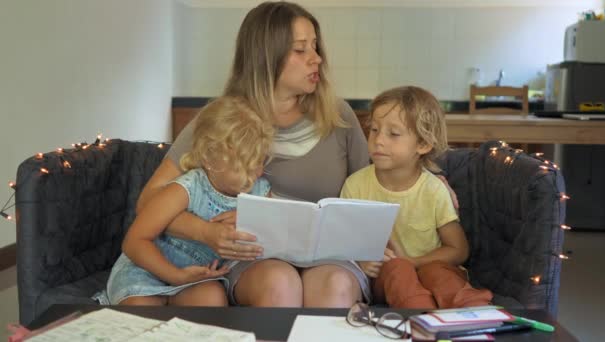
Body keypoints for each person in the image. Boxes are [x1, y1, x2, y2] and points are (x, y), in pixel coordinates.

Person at [138, 1, 372, 307]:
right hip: (255, 258)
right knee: (279, 284)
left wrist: (431, 176)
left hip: (326, 255)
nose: (316, 59)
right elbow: (148, 200)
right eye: (300, 50)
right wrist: (206, 232)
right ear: (266, 58)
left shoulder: (338, 116)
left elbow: (371, 189)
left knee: (337, 286)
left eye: (315, 47)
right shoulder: (223, 121)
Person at [105, 96, 273, 306]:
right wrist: (176, 275)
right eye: (244, 166)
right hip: (146, 271)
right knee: (142, 310)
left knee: (211, 300)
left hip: (197, 278)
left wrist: (253, 218)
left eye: (259, 162)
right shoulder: (187, 188)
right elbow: (134, 241)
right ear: (210, 158)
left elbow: (275, 236)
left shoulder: (259, 191)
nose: (256, 173)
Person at [341, 86, 493, 309]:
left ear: (423, 144)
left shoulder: (434, 190)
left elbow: (458, 250)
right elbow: (342, 241)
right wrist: (360, 261)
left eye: (393, 134)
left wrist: (415, 262)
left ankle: (475, 314)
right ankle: (423, 319)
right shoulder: (355, 186)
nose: (379, 140)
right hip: (386, 278)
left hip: (430, 269)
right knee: (398, 269)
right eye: (374, 130)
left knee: (438, 272)